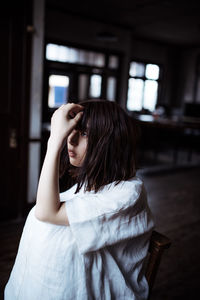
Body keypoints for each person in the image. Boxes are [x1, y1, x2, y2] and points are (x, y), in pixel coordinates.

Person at [5, 99, 154, 300]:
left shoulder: (129, 192)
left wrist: (54, 142)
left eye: (83, 133)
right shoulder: (91, 181)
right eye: (71, 131)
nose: (71, 140)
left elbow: (47, 212)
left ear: (108, 141)